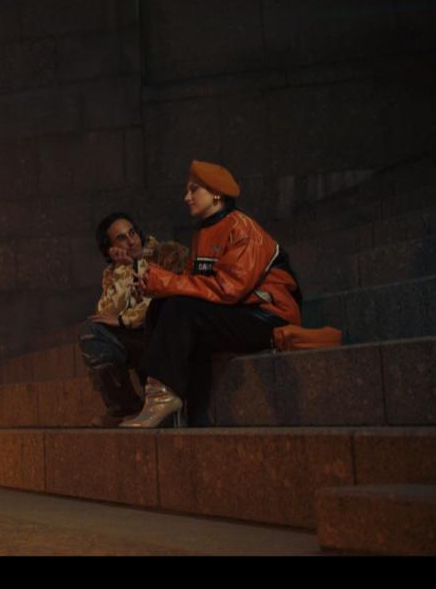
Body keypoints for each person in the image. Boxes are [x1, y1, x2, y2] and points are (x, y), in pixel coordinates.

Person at [122, 160, 302, 428]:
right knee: (162, 306)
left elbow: (230, 289)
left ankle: (163, 398)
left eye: (193, 190)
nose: (186, 197)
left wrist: (166, 282)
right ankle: (165, 403)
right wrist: (156, 285)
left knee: (182, 309)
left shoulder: (243, 228)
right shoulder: (202, 234)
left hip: (269, 317)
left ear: (216, 193)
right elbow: (190, 284)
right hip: (236, 312)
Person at [82, 213, 188, 427]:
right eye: (121, 238)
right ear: (110, 249)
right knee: (92, 330)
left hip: (166, 338)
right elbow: (104, 315)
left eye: (132, 233)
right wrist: (125, 268)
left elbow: (162, 302)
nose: (131, 241)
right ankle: (124, 408)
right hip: (140, 340)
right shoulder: (113, 271)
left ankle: (164, 408)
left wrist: (124, 320)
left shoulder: (165, 253)